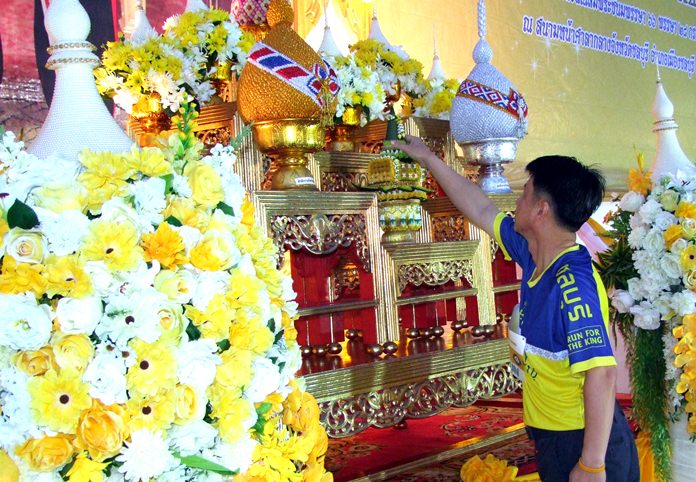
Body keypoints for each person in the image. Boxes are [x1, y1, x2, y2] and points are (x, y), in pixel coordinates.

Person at [391, 136, 639, 482]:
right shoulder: (531, 251)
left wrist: (592, 464)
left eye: (525, 194)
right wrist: (428, 158)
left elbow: (601, 373)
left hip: (582, 441)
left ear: (542, 210)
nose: (516, 202)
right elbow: (480, 209)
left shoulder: (572, 285)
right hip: (554, 435)